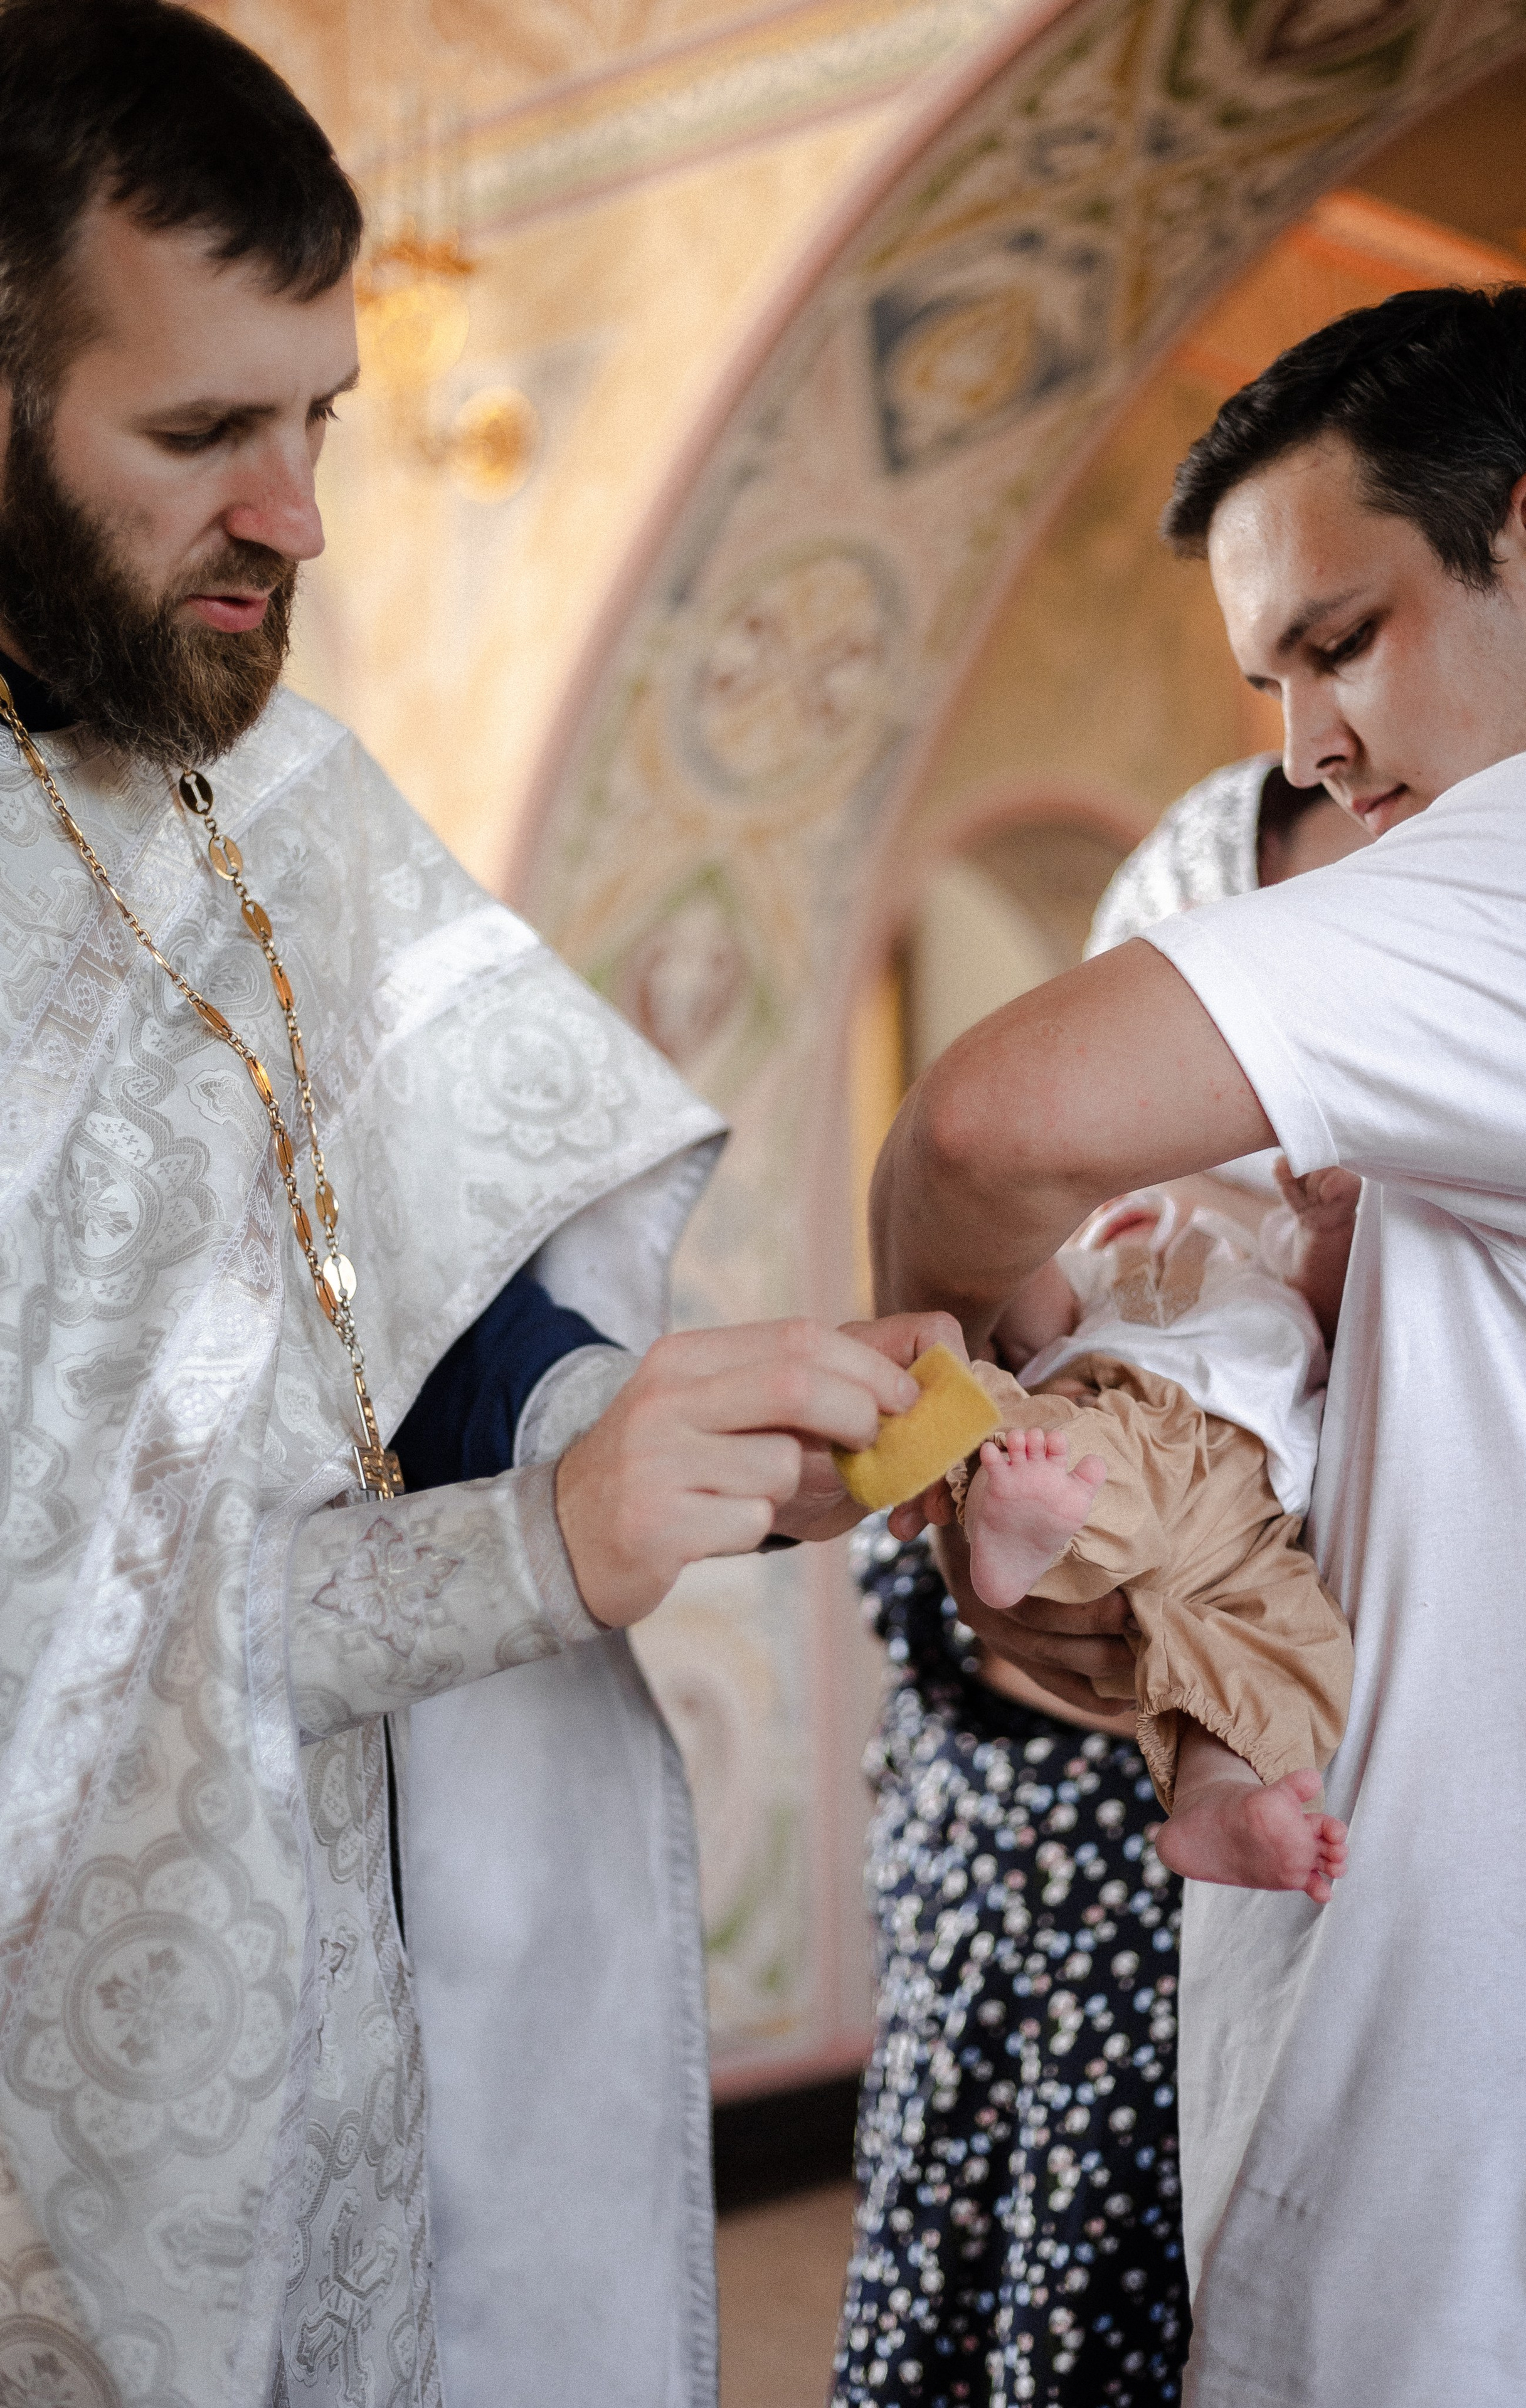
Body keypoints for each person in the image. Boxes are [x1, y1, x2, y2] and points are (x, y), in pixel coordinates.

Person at [0, 7, 955, 2404]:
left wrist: (672, 1424)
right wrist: (539, 1553)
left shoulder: (297, 804)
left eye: (317, 414)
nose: (303, 513)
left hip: (346, 2051)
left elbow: (429, 1333)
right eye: (206, 431)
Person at [870, 280, 1526, 2405]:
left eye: (1343, 640)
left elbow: (982, 1119)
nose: (1305, 746)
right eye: (1268, 677)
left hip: (1482, 2141)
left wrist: (948, 1400)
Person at [832, 758, 1365, 2408]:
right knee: (1012, 2267)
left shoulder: (1335, 1244)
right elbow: (920, 1557)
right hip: (1030, 1896)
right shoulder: (1129, 1229)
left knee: (1153, 2297)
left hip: (1205, 1864)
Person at [934, 1183, 1353, 1905]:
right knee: (1069, 1452)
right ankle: (1020, 1526)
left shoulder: (1266, 1273)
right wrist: (1033, 1221)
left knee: (1289, 1645)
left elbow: (1329, 1305)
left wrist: (1327, 1226)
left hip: (1251, 1523)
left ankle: (1216, 1794)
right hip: (1153, 1419)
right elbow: (1034, 1320)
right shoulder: (1120, 1278)